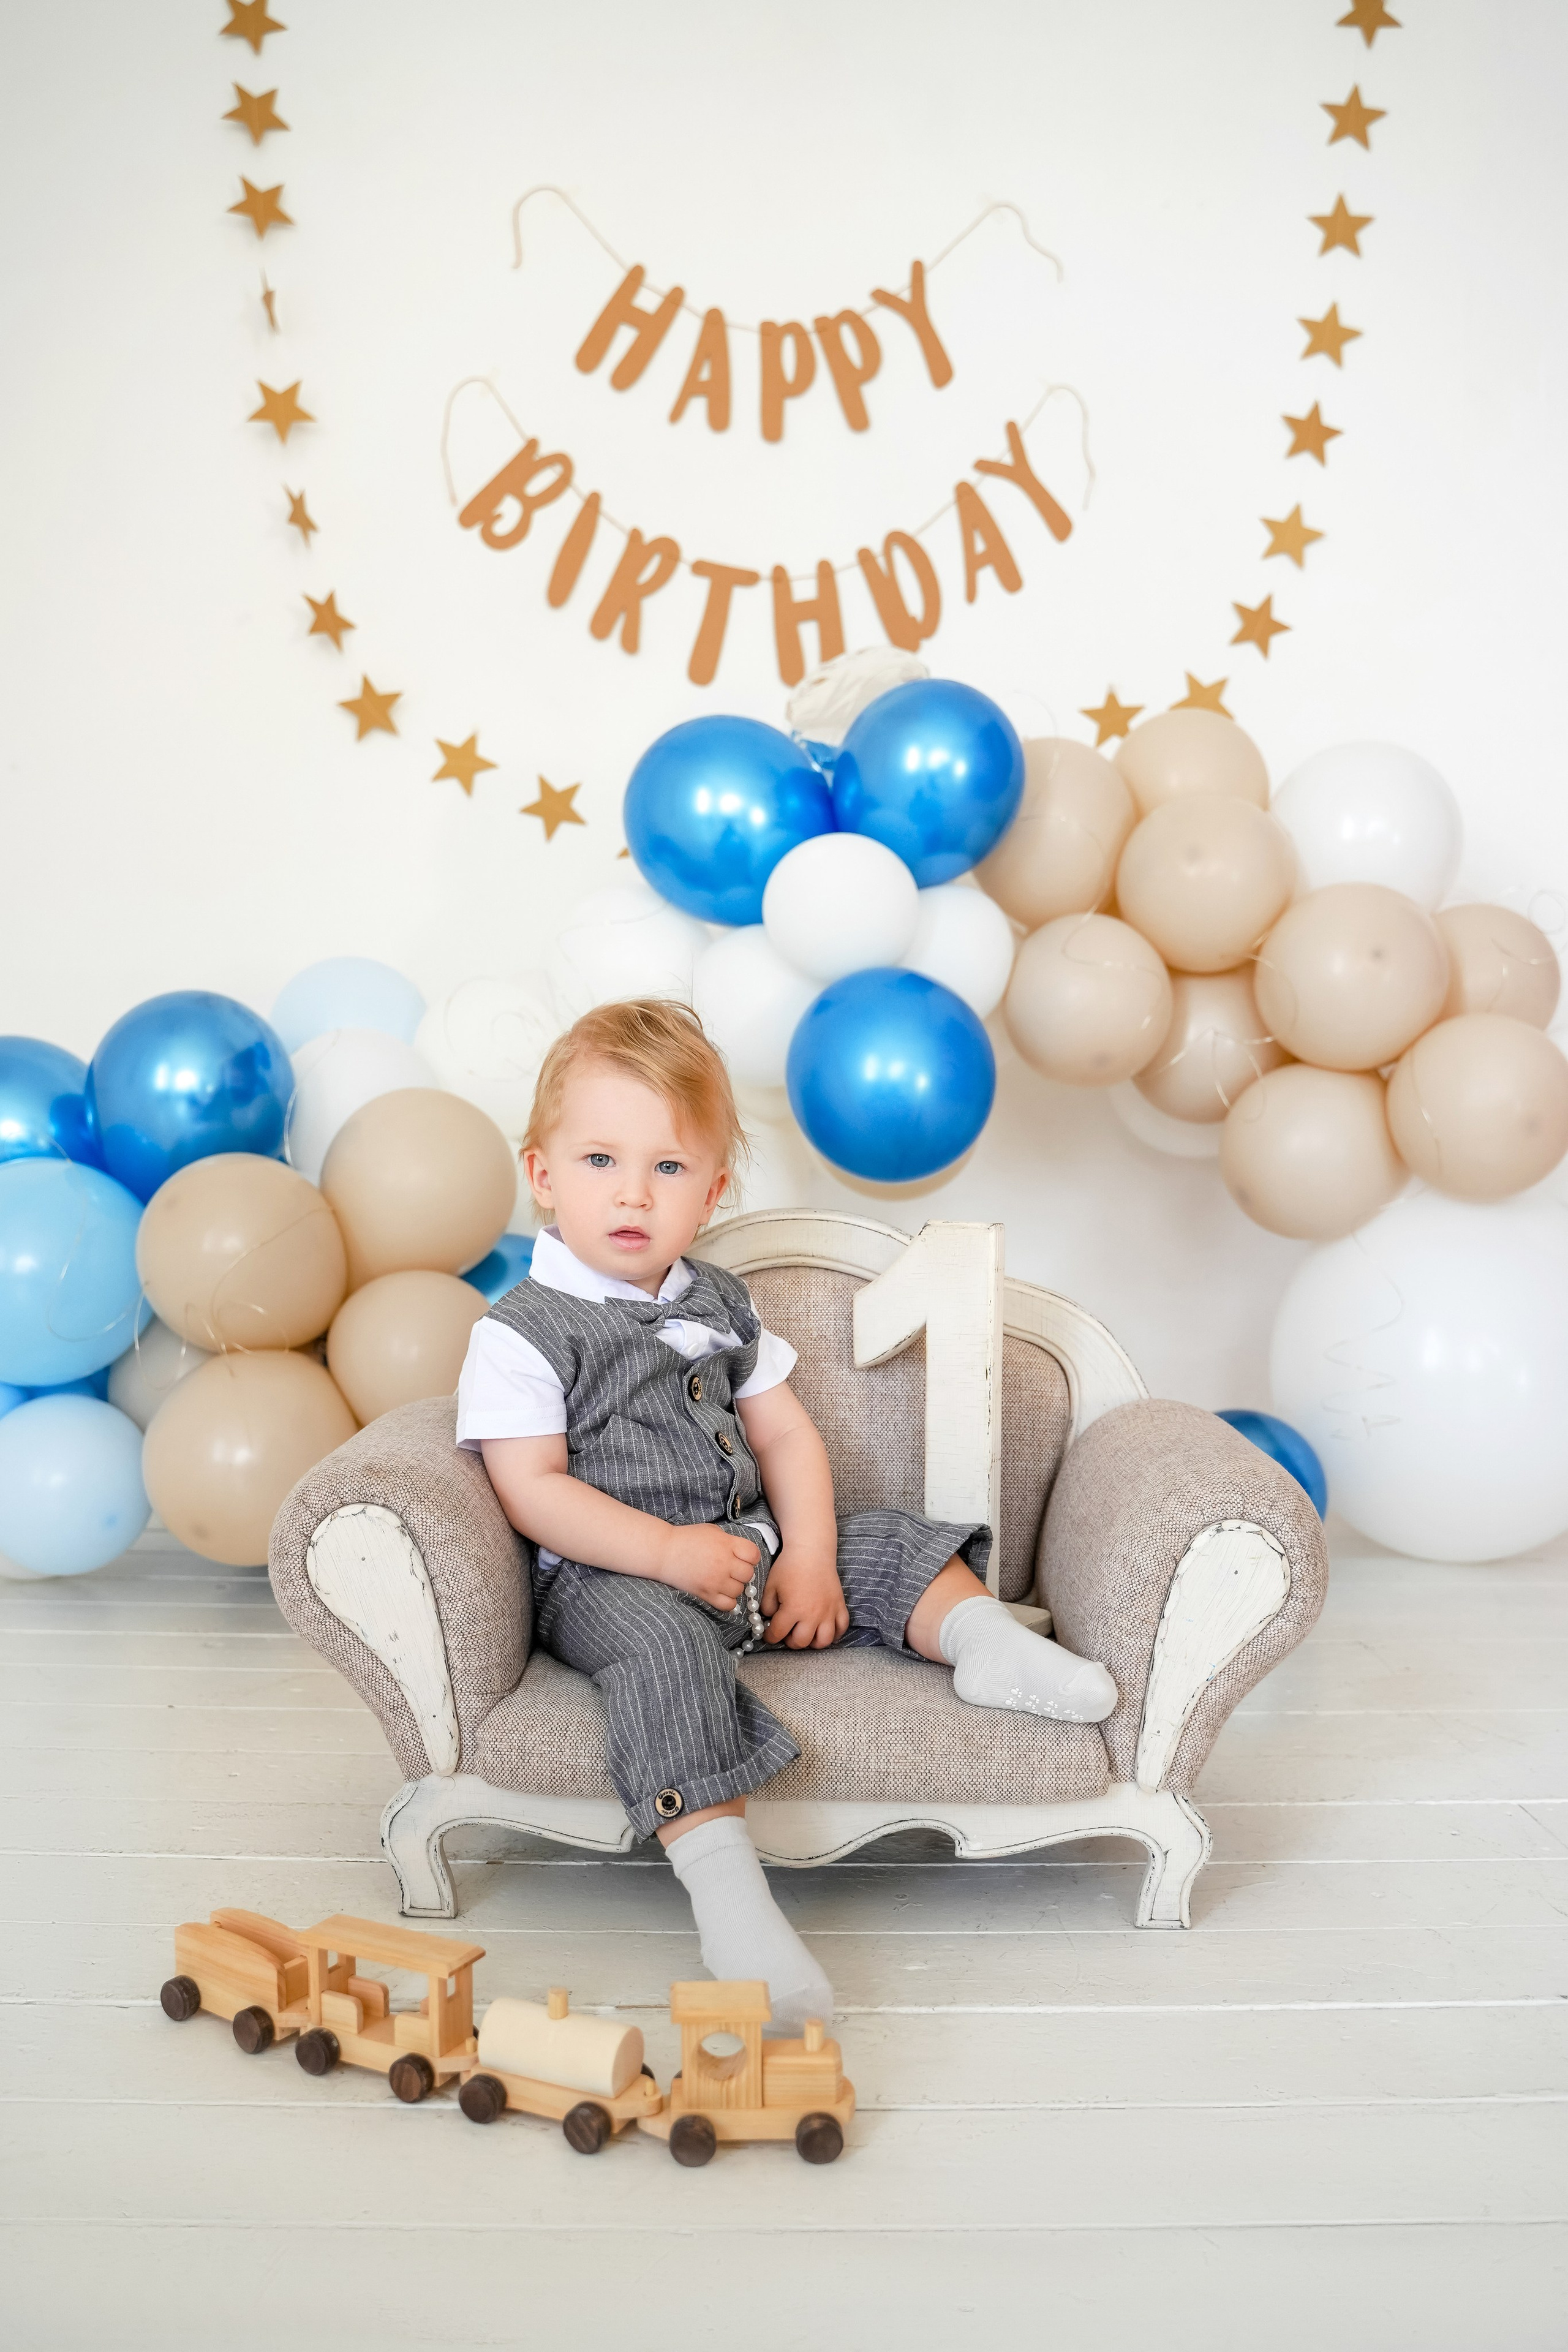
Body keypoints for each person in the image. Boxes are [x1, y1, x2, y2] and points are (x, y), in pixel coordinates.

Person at [456, 998, 1117, 2032]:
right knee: (663, 1657)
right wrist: (665, 1553)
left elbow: (787, 1438)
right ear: (542, 1174)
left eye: (668, 1167)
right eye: (599, 1161)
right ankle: (734, 1908)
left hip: (749, 1552)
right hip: (611, 1579)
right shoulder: (522, 1332)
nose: (632, 1192)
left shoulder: (720, 1302)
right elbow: (532, 1488)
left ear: (713, 1190)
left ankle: (987, 1646)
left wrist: (807, 1552)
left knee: (884, 1540)